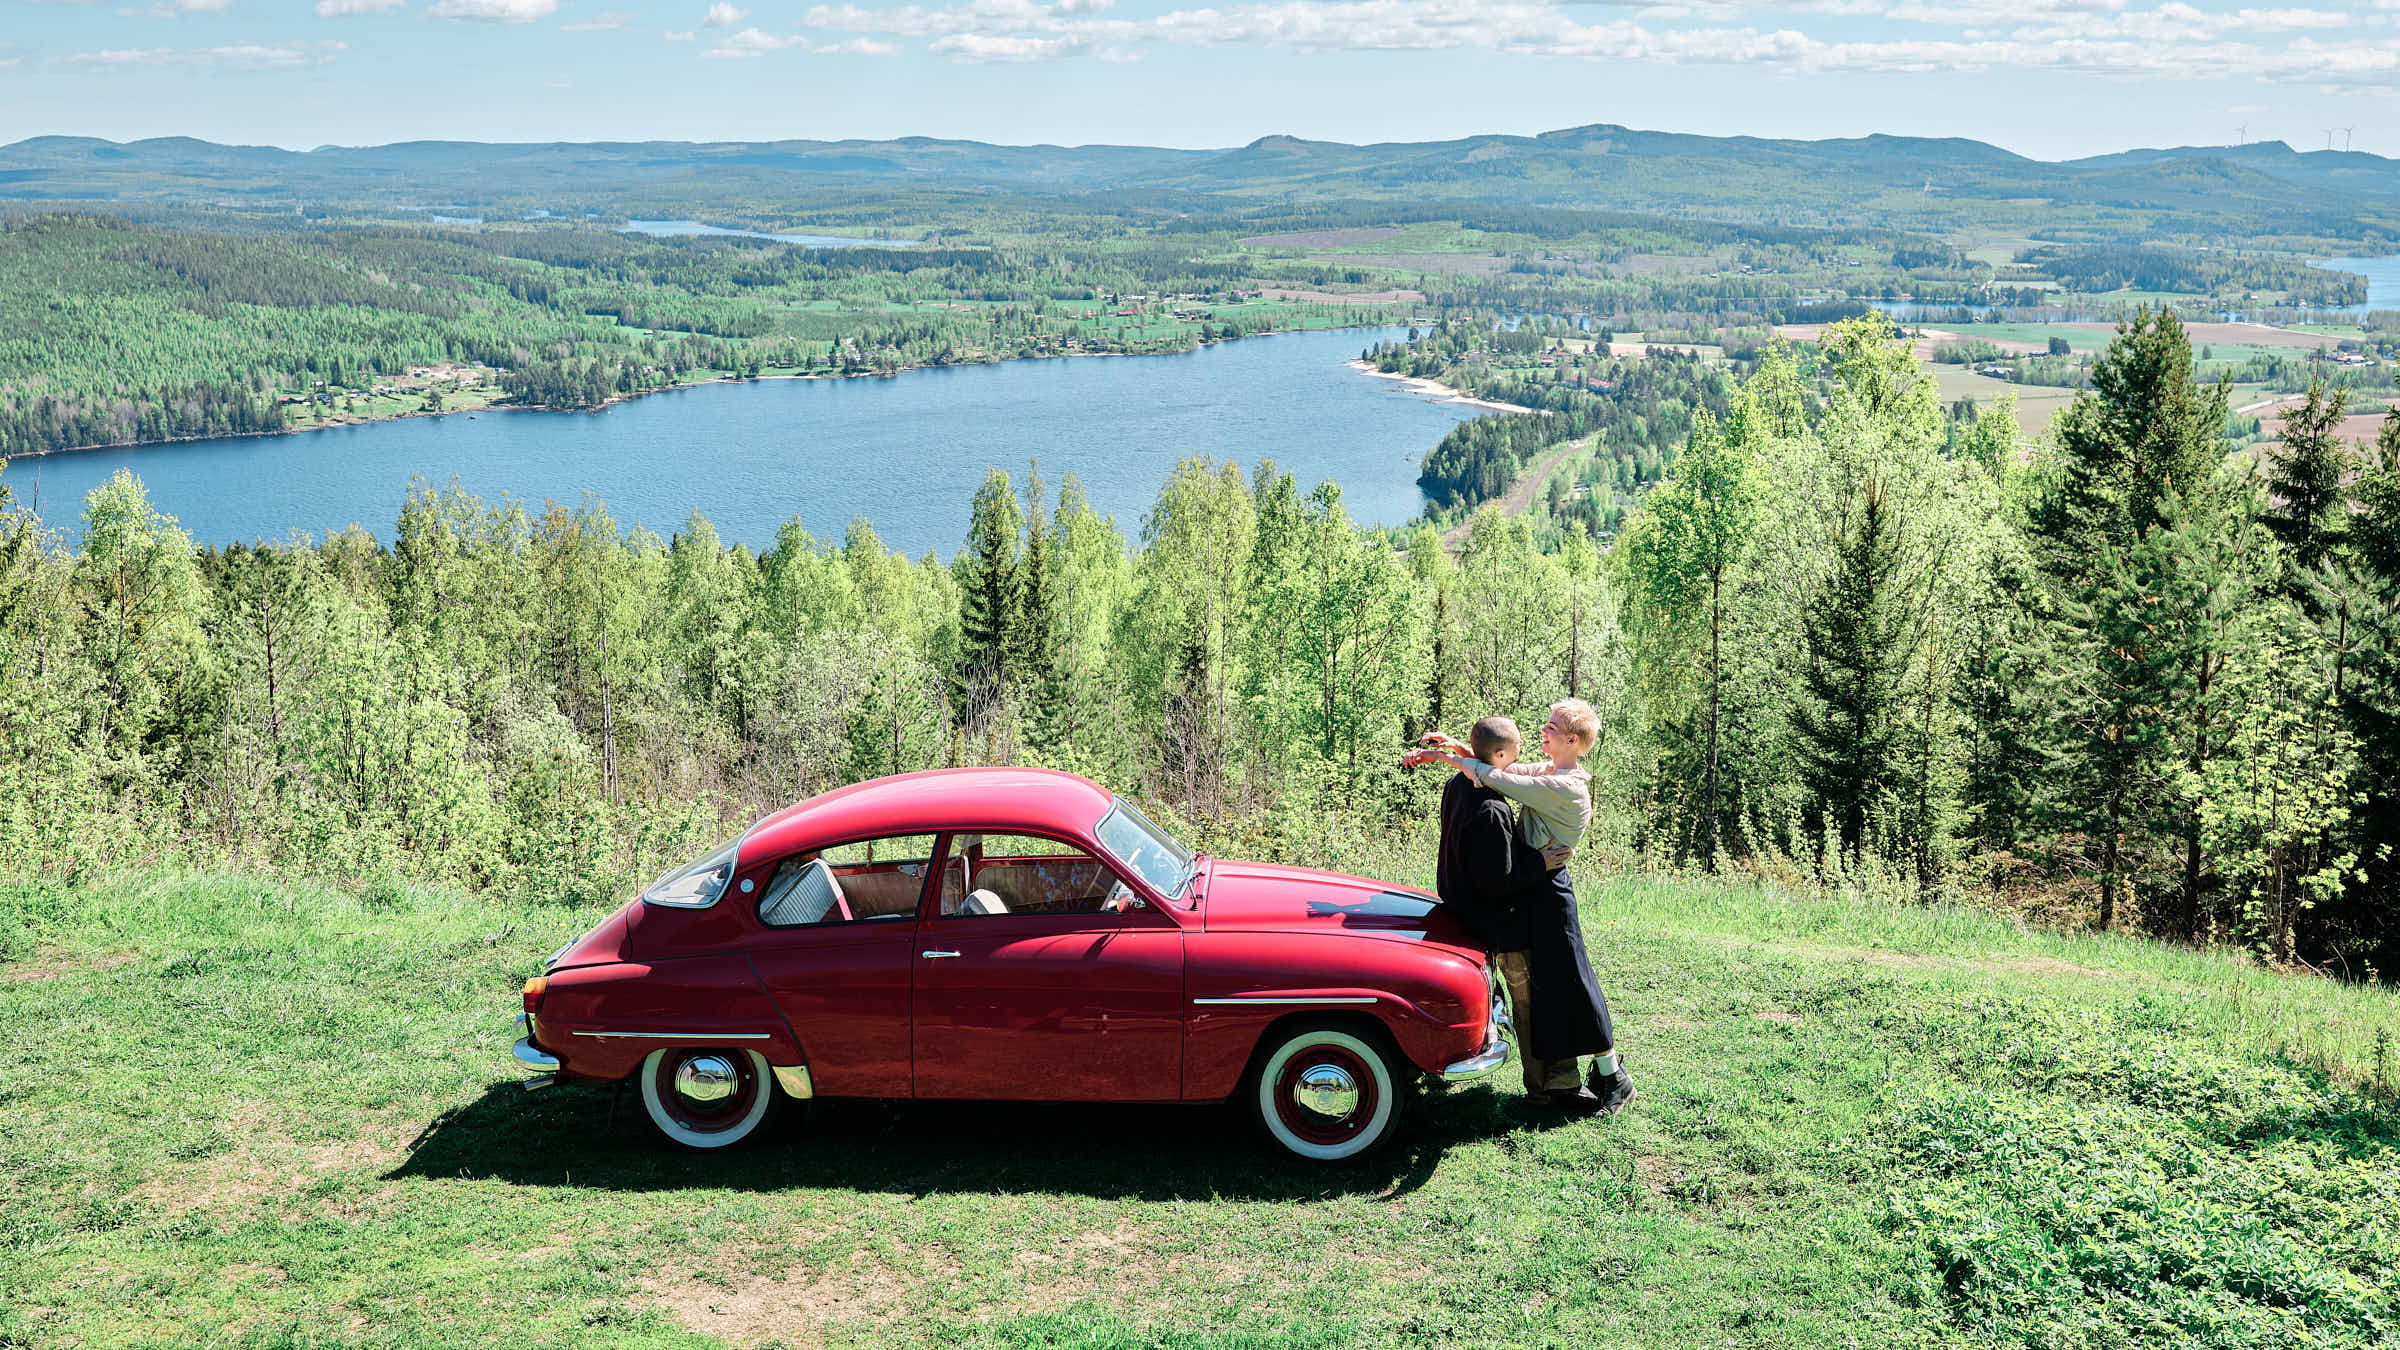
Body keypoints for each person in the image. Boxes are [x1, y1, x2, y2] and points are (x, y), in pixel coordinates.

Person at [1409, 699, 1633, 1115]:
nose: (1542, 731)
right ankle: (1570, 1080)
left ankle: (1613, 1075)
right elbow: (1503, 769)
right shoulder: (1552, 771)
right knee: (1554, 987)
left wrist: (1444, 756)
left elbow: (1498, 777)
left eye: (1550, 727)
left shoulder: (1566, 786)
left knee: (1575, 983)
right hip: (1536, 887)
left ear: (1571, 740)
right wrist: (1462, 750)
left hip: (1549, 887)